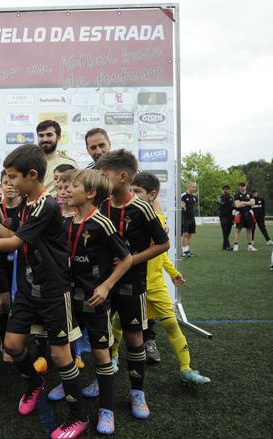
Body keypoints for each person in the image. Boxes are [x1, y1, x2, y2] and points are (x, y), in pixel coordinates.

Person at [0, 144, 89, 439]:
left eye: (13, 176)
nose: (9, 182)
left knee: (62, 357)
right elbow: (13, 236)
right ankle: (36, 383)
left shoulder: (46, 205)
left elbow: (12, 245)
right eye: (7, 176)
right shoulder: (26, 202)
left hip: (52, 291)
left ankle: (79, 416)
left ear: (32, 175)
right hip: (27, 288)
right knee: (11, 345)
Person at [110, 173, 211, 386]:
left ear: (152, 196)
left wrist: (174, 273)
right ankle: (114, 357)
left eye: (137, 192)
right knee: (118, 323)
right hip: (131, 284)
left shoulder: (158, 220)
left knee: (172, 325)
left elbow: (161, 251)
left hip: (155, 286)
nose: (132, 195)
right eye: (131, 191)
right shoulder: (122, 217)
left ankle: (186, 369)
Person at [95, 149, 170, 420]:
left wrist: (131, 259)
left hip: (131, 283)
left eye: (104, 175)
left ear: (122, 176)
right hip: (102, 282)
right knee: (100, 335)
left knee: (134, 337)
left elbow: (163, 243)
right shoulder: (100, 205)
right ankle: (100, 379)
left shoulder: (141, 208)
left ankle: (137, 392)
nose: (100, 180)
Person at [64, 169, 133, 435]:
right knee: (67, 347)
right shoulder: (69, 221)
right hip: (71, 296)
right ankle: (68, 384)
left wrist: (106, 285)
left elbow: (126, 258)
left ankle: (107, 410)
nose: (68, 190)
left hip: (95, 300)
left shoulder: (102, 223)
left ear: (91, 193)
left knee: (101, 353)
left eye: (75, 186)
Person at [0, 170, 21, 362]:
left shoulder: (26, 206)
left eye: (12, 182)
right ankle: (4, 343)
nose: (9, 186)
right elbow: (0, 230)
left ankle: (18, 339)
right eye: (5, 182)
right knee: (3, 304)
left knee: (19, 304)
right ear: (0, 185)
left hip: (22, 261)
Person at [37, 120, 78, 195]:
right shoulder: (29, 162)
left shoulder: (69, 163)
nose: (45, 139)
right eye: (41, 135)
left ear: (58, 138)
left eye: (49, 135)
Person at [233, 182, 257, 252]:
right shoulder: (237, 195)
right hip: (240, 215)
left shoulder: (249, 194)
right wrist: (248, 203)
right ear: (239, 187)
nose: (242, 187)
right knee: (238, 230)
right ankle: (236, 246)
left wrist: (243, 202)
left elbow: (252, 203)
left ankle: (250, 246)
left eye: (243, 186)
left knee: (249, 230)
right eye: (241, 186)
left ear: (246, 186)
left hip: (248, 214)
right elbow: (237, 205)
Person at [181, 182, 198, 258]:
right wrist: (182, 206)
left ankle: (187, 251)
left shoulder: (194, 197)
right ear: (189, 187)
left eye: (195, 187)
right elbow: (180, 204)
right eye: (194, 187)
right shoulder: (183, 196)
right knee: (185, 234)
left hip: (192, 218)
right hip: (184, 218)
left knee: (190, 234)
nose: (195, 188)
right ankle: (184, 252)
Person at [217, 185, 234, 250]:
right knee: (225, 231)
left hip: (230, 216)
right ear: (222, 190)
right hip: (223, 216)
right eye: (225, 189)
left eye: (228, 189)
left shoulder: (231, 197)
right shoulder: (220, 197)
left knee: (228, 232)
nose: (226, 190)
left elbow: (233, 206)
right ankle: (228, 246)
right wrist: (223, 196)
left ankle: (224, 246)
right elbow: (222, 203)